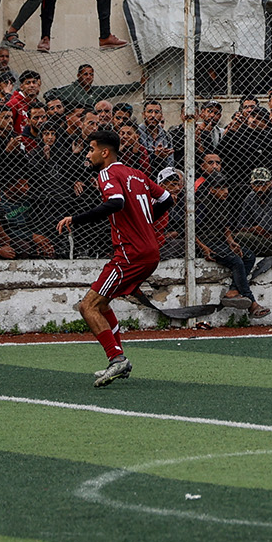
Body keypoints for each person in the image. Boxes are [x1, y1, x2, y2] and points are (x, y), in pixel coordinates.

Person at [55, 130, 171, 387]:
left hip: (130, 254)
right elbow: (167, 198)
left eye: (91, 148)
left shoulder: (107, 173)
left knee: (88, 307)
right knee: (102, 304)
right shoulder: (136, 173)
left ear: (104, 152)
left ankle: (116, 359)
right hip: (149, 252)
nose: (88, 154)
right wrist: (146, 221)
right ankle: (118, 358)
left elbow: (116, 202)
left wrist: (76, 219)